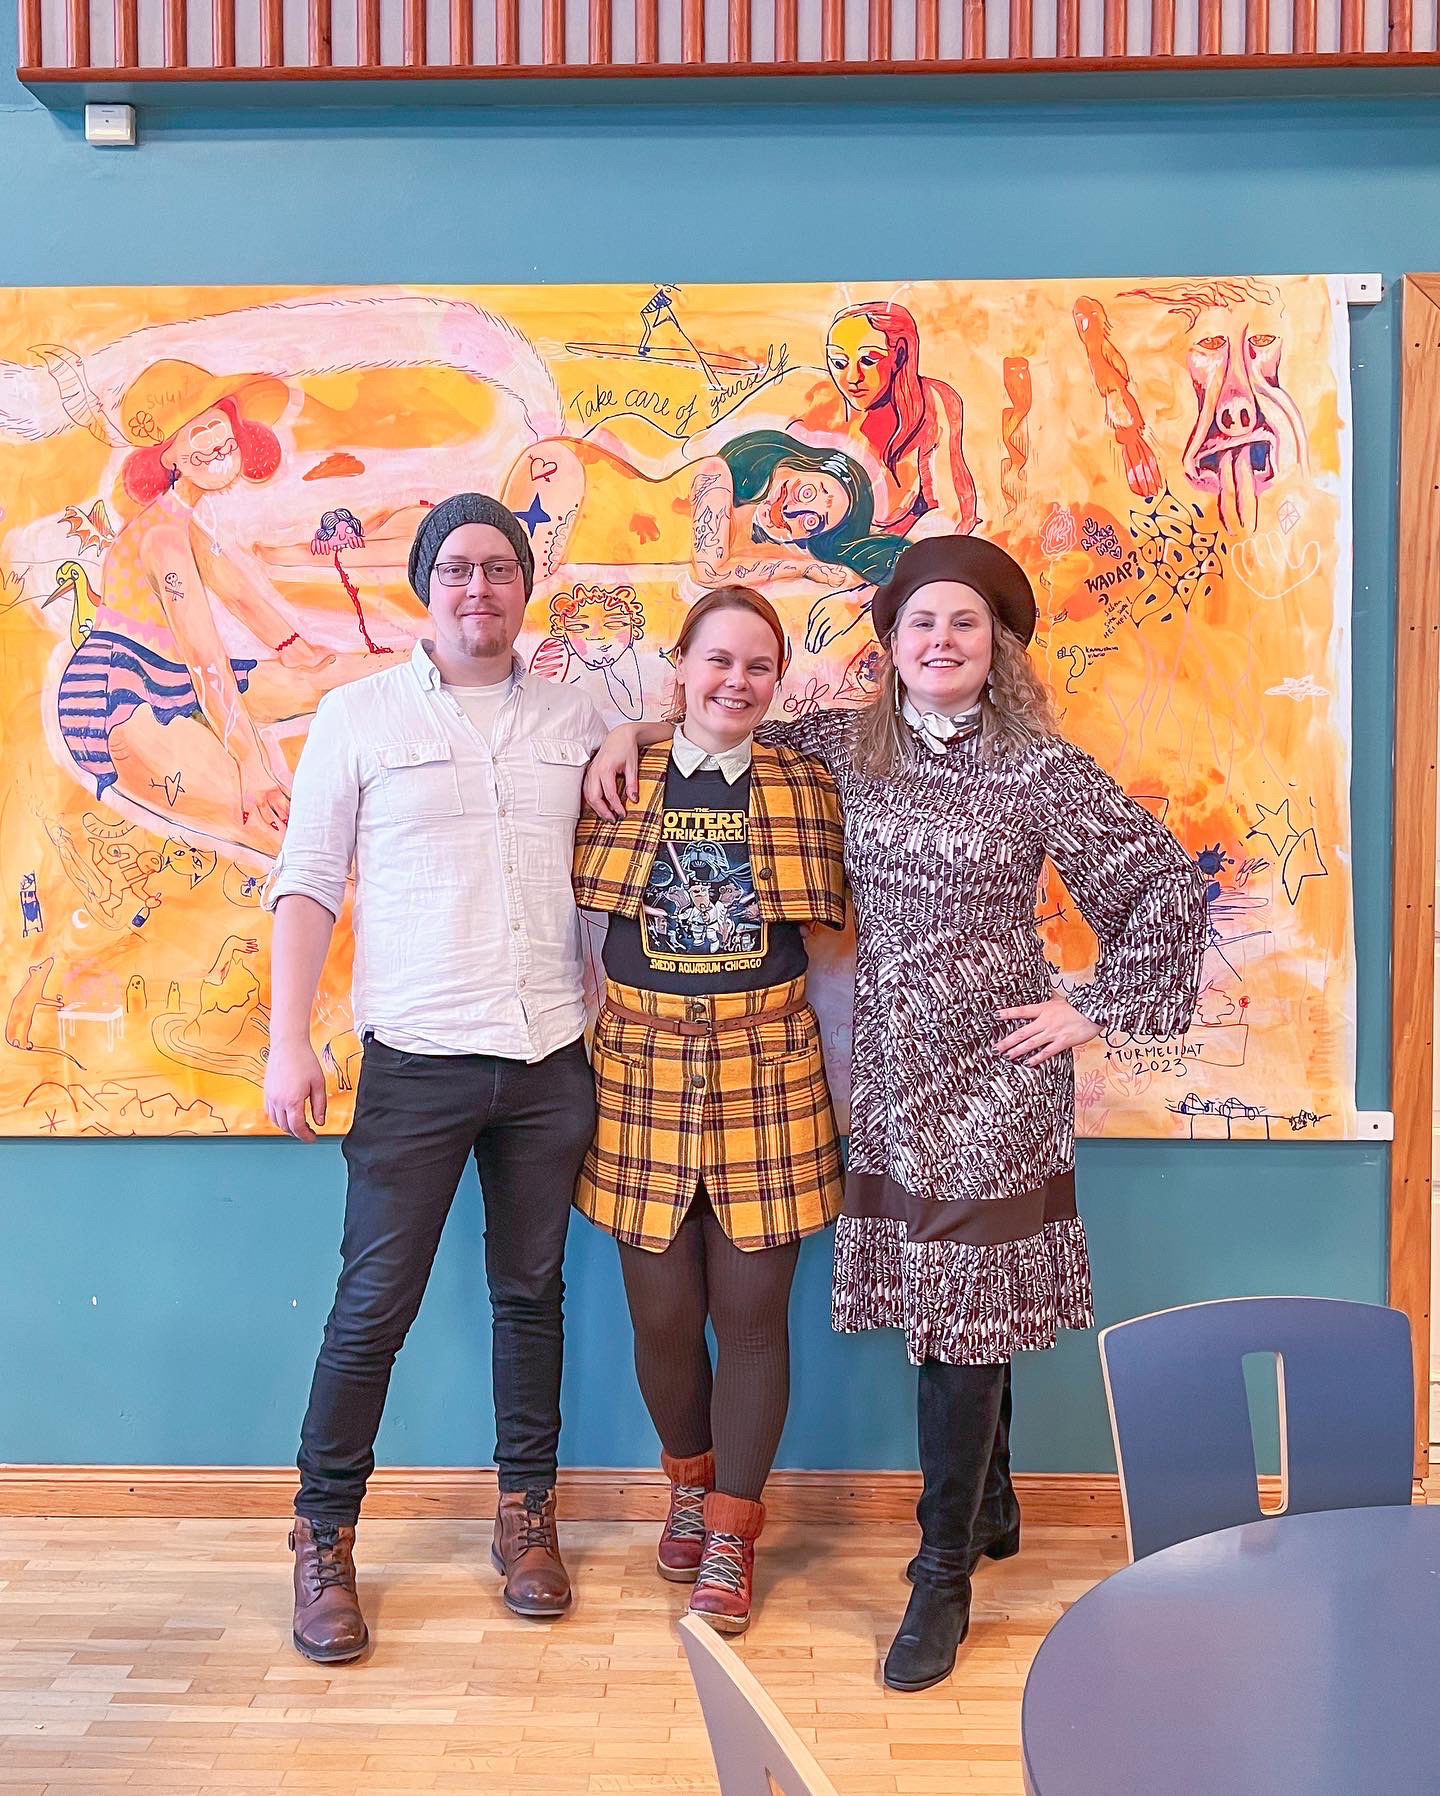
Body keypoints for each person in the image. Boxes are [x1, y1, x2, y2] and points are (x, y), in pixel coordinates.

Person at [584, 534, 1208, 1689]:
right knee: (949, 1302)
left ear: (996, 646)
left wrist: (1090, 1007)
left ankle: (941, 1572)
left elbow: (1166, 885)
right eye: (921, 623)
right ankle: (998, 1499)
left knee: (962, 1317)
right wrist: (628, 732)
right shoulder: (840, 747)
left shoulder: (1040, 768)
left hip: (1000, 1073)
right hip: (888, 1070)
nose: (940, 640)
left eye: (964, 623)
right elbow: (719, 731)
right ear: (890, 646)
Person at [263, 493, 605, 1663]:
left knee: (532, 1296)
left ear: (526, 584)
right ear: (426, 585)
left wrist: (631, 727)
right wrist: (286, 1038)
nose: (479, 589)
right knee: (373, 1307)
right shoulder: (356, 716)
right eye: (457, 569)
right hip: (413, 1057)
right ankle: (323, 1535)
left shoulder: (578, 712)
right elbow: (306, 879)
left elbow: (667, 723)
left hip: (551, 1053)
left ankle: (526, 1513)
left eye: (500, 569)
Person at [571, 584, 847, 1636]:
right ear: (679, 663)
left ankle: (731, 1526)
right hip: (637, 1064)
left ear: (778, 680)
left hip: (767, 1068)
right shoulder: (613, 773)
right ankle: (688, 1479)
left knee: (751, 1314)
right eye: (717, 660)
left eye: (758, 666)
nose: (736, 681)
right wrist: (628, 726)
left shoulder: (811, 776)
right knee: (663, 1315)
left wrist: (637, 718)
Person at [56, 359, 378, 857]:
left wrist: (301, 652)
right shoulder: (162, 539)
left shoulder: (185, 526)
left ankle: (457, 671)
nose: (211, 434)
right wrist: (251, 764)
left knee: (344, 674)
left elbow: (241, 596)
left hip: (169, 676)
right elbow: (205, 656)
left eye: (215, 419)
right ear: (169, 458)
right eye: (191, 430)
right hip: (116, 699)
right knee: (278, 826)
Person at [791, 301, 979, 537]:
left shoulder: (932, 402)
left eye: (868, 360)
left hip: (903, 556)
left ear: (900, 354)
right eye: (839, 362)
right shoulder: (816, 401)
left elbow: (951, 515)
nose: (852, 377)